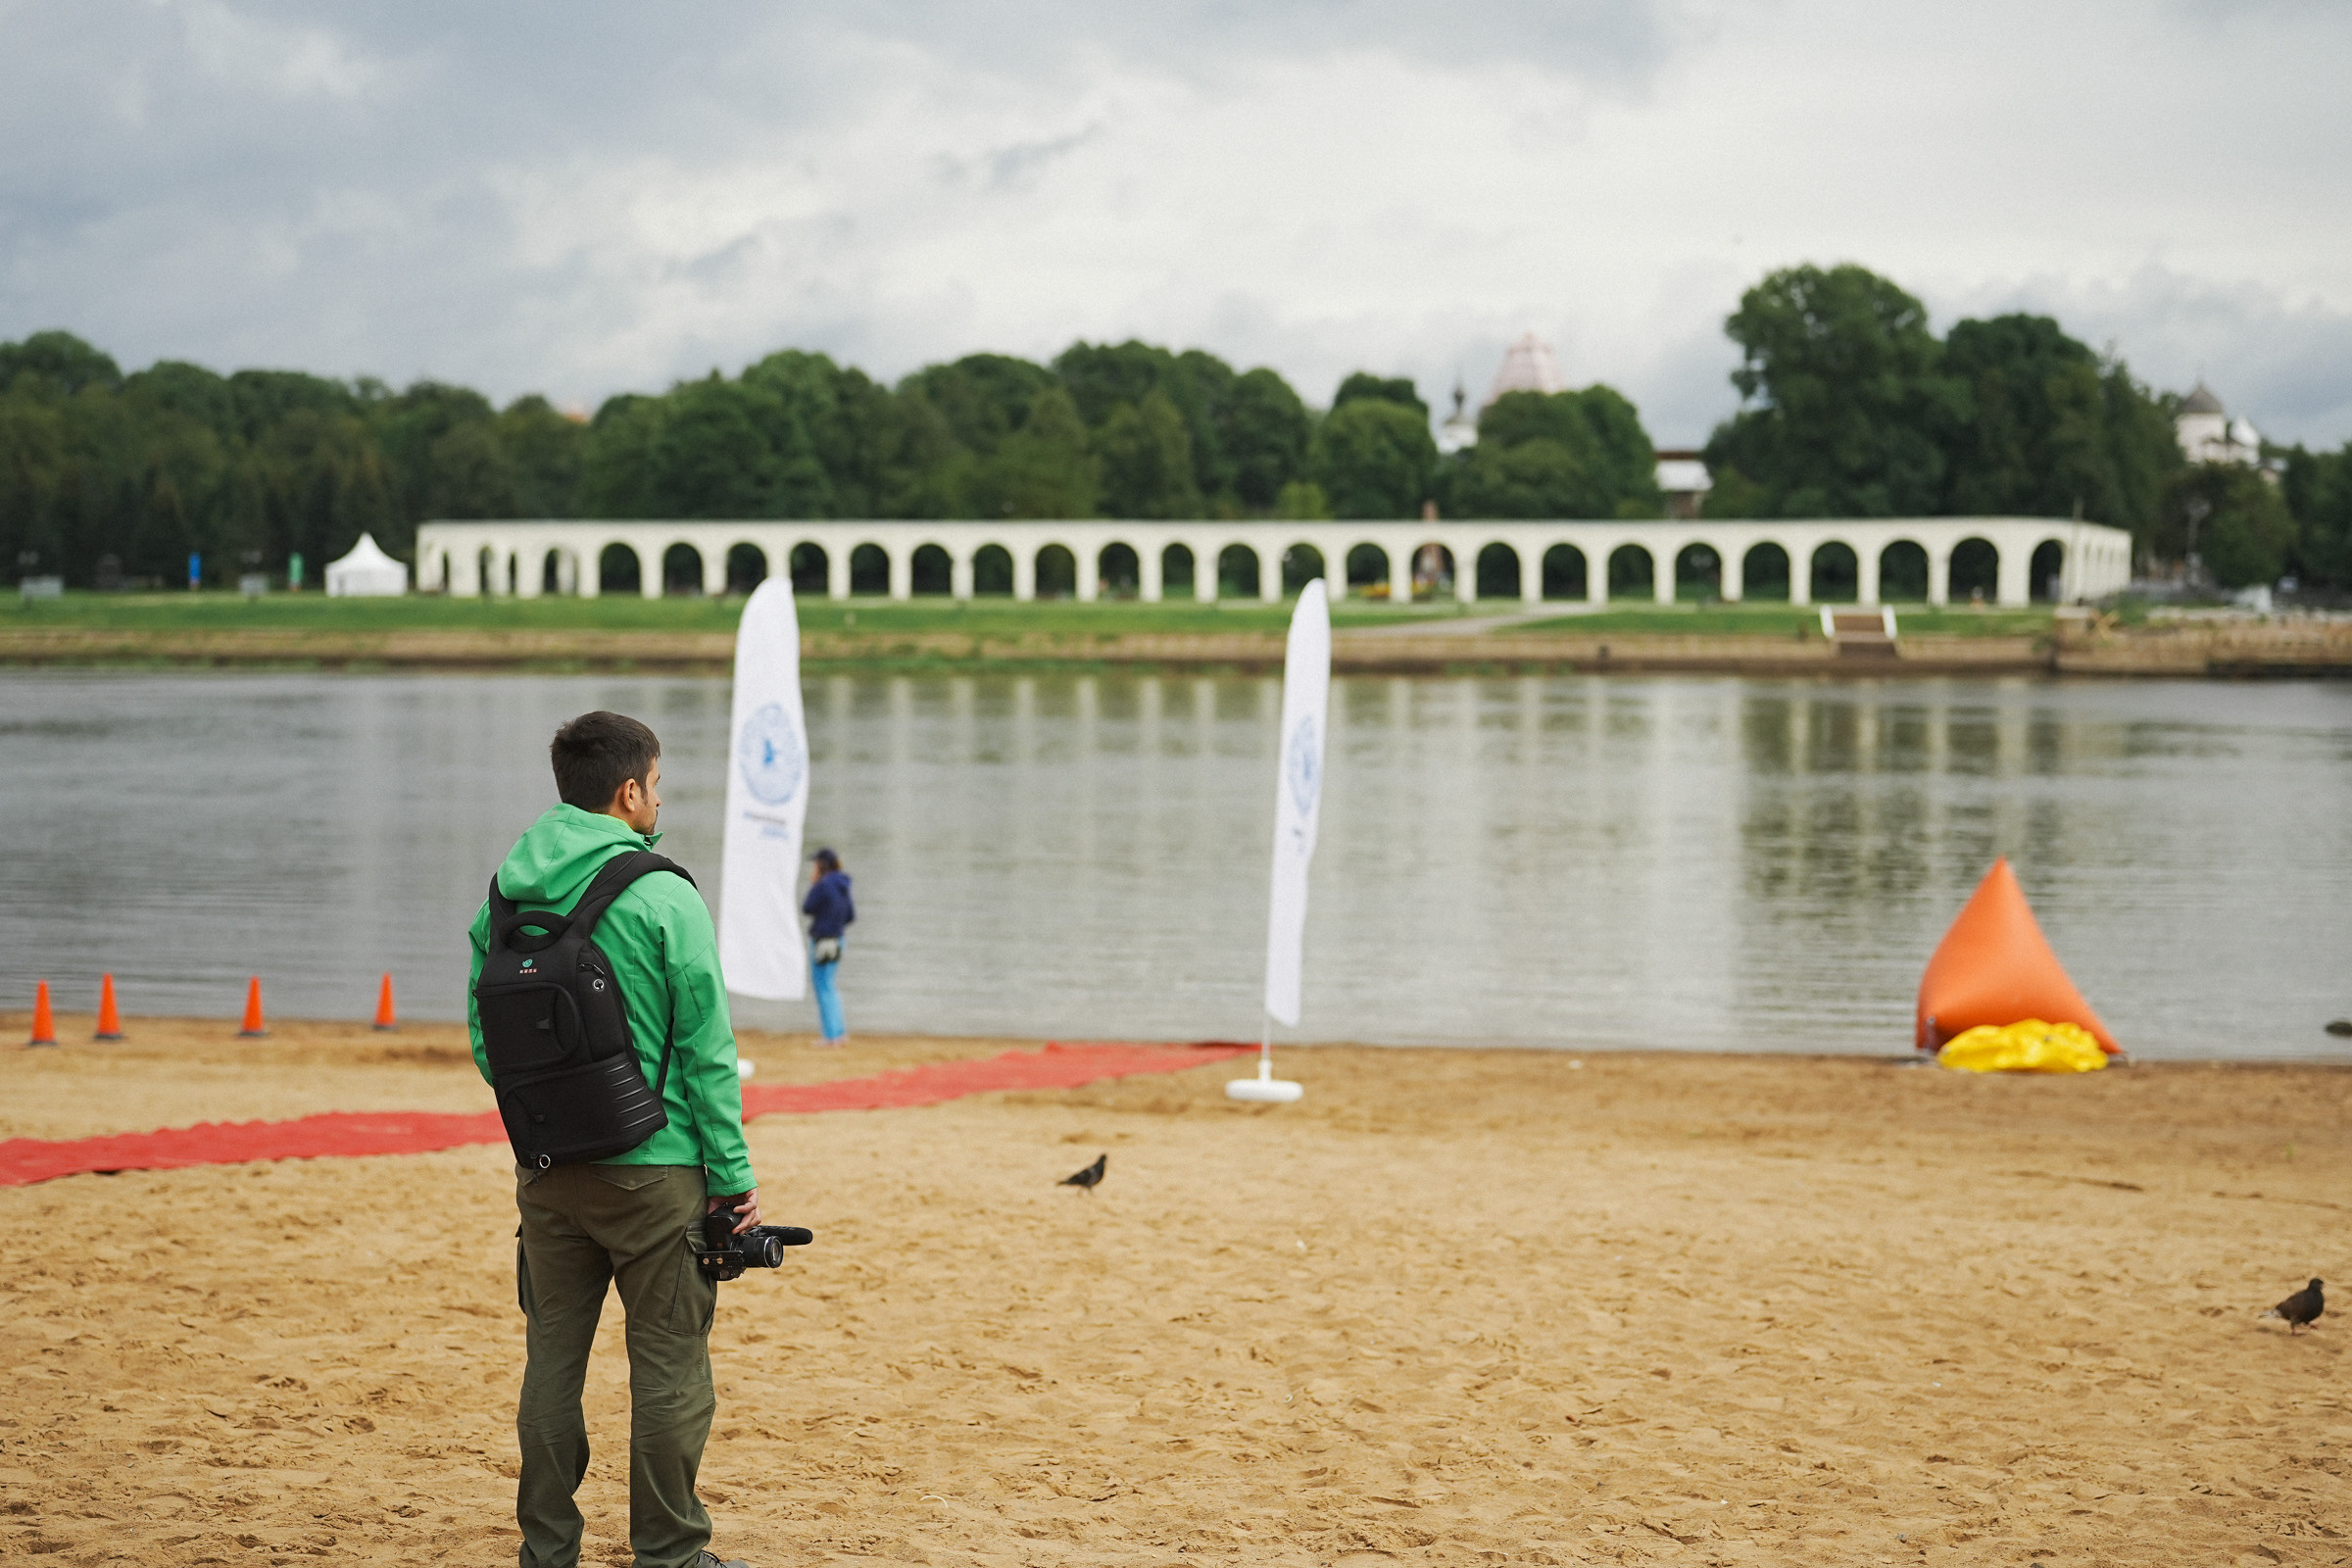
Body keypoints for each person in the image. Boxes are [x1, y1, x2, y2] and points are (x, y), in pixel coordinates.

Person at [466, 710, 759, 1568]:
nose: (659, 800)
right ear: (629, 792)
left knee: (551, 1363)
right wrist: (732, 1179)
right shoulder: (664, 892)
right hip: (656, 1174)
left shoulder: (505, 893)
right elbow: (708, 1053)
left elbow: (490, 1045)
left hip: (548, 1169)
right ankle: (669, 1554)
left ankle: (546, 1551)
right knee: (669, 1367)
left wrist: (553, 1116)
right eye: (657, 785)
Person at [801, 847, 855, 1046]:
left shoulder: (822, 885)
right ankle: (839, 1032)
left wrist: (814, 884)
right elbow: (850, 916)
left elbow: (807, 907)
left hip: (823, 940)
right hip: (838, 939)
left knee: (823, 986)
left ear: (822, 865)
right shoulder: (843, 885)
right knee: (830, 986)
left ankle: (830, 1036)